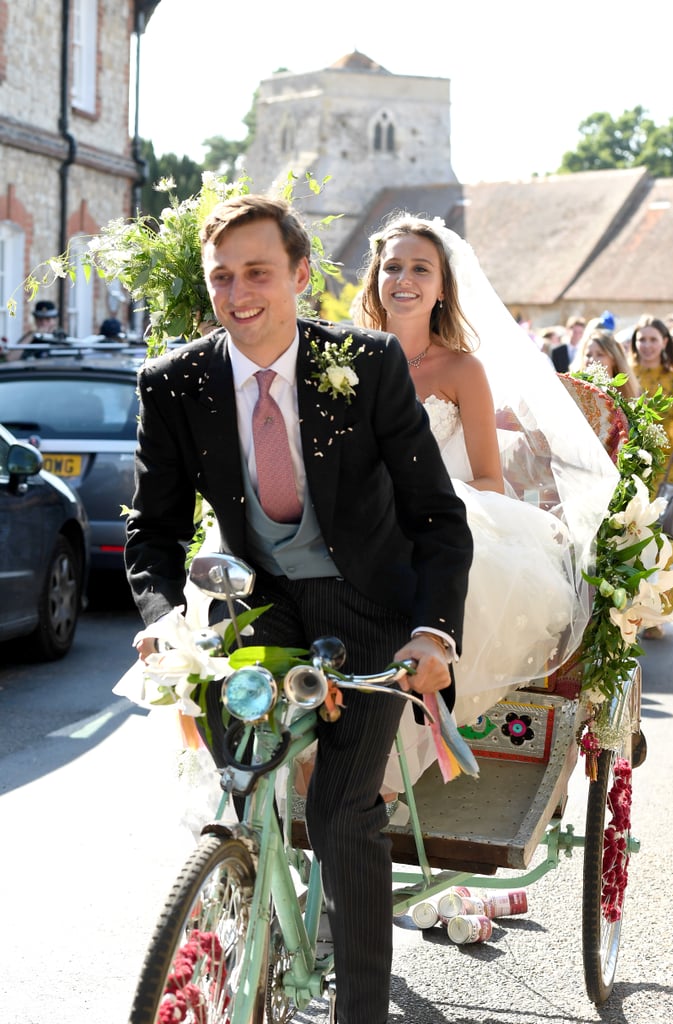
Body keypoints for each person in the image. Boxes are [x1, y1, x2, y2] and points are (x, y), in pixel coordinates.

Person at [123, 195, 473, 1024]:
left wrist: (433, 632)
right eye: (223, 277)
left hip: (369, 604)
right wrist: (162, 617)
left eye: (258, 273)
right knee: (238, 775)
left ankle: (360, 1012)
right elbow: (154, 527)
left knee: (339, 808)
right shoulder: (177, 383)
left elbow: (434, 513)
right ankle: (249, 906)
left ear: (301, 275)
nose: (239, 293)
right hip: (259, 604)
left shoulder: (369, 362)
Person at [354, 213, 618, 738]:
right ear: (376, 279)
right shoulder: (348, 358)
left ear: (443, 288)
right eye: (393, 267)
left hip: (443, 516)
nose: (404, 279)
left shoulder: (461, 370)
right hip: (357, 517)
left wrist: (414, 503)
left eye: (421, 269)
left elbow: (489, 481)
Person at [628, 315, 673, 636]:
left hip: (665, 470)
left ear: (665, 342)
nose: (648, 345)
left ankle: (659, 615)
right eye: (643, 339)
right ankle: (633, 612)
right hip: (631, 467)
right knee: (631, 538)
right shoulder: (627, 375)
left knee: (665, 541)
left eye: (654, 339)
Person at [573, 327, 641, 400]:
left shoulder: (630, 396)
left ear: (614, 359)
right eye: (588, 355)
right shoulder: (575, 391)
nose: (592, 359)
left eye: (600, 354)